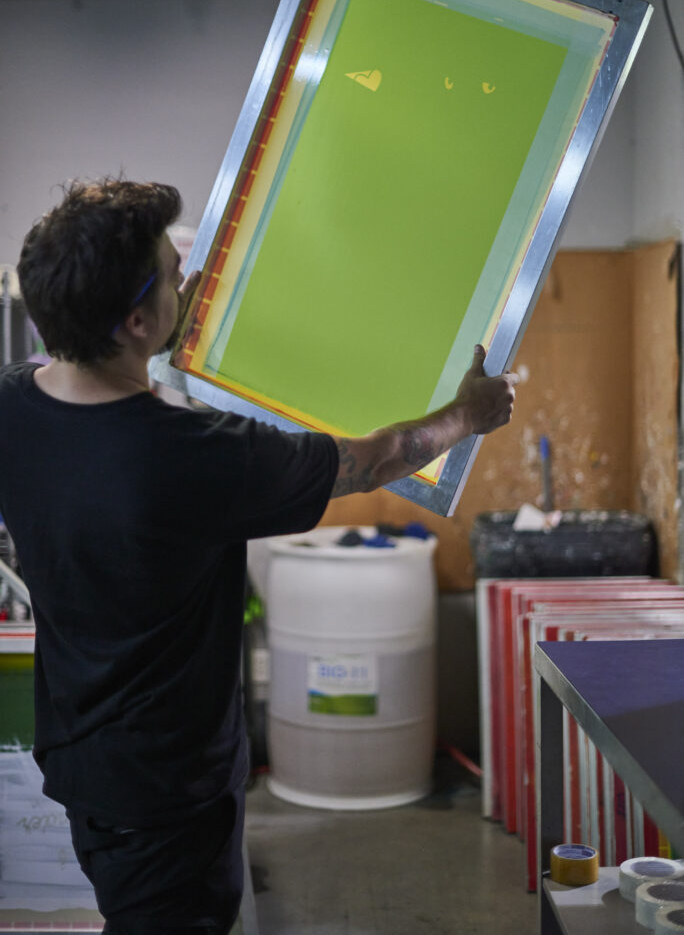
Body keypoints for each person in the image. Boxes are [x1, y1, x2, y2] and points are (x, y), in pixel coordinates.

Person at [0, 179, 518, 934]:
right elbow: (374, 459)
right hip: (171, 785)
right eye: (174, 273)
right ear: (136, 319)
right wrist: (465, 415)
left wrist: (156, 332)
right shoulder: (192, 458)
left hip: (83, 757)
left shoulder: (15, 404)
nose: (189, 278)